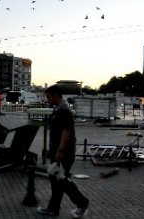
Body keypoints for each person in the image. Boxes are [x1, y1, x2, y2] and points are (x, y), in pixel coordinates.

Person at [37, 85, 89, 218]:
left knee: (60, 180)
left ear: (55, 95)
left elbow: (66, 132)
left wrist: (60, 151)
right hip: (59, 152)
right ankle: (53, 209)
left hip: (63, 154)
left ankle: (82, 202)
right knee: (56, 180)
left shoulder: (64, 111)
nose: (47, 100)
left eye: (48, 97)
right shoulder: (59, 110)